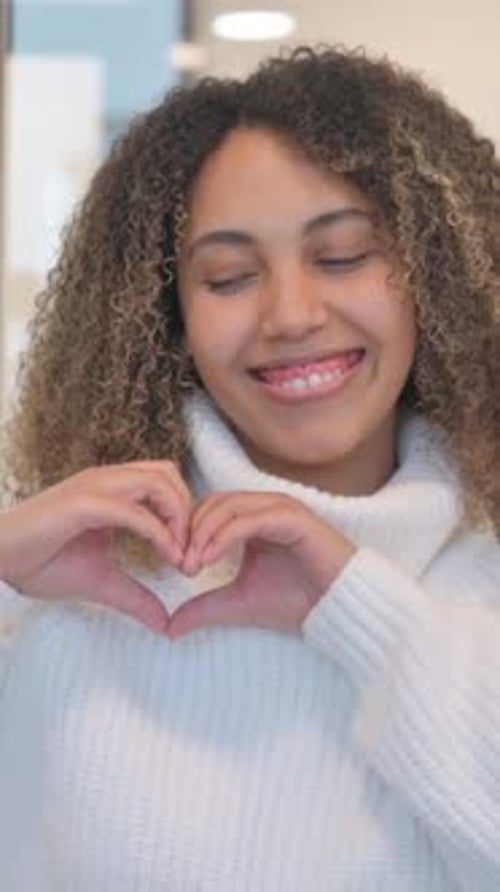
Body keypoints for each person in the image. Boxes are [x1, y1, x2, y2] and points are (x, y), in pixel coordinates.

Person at [0, 44, 498, 892]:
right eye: (229, 277)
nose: (291, 315)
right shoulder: (66, 588)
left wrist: (363, 615)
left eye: (343, 256)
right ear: (166, 318)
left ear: (437, 275)